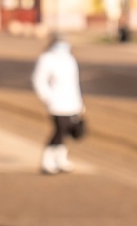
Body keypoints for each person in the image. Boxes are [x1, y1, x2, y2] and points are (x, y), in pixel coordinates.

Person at [31, 36, 83, 175]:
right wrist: (48, 98)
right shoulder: (47, 59)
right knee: (59, 130)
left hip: (72, 103)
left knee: (65, 132)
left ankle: (61, 159)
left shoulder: (70, 59)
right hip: (56, 104)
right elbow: (39, 80)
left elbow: (74, 84)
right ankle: (47, 161)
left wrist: (79, 104)